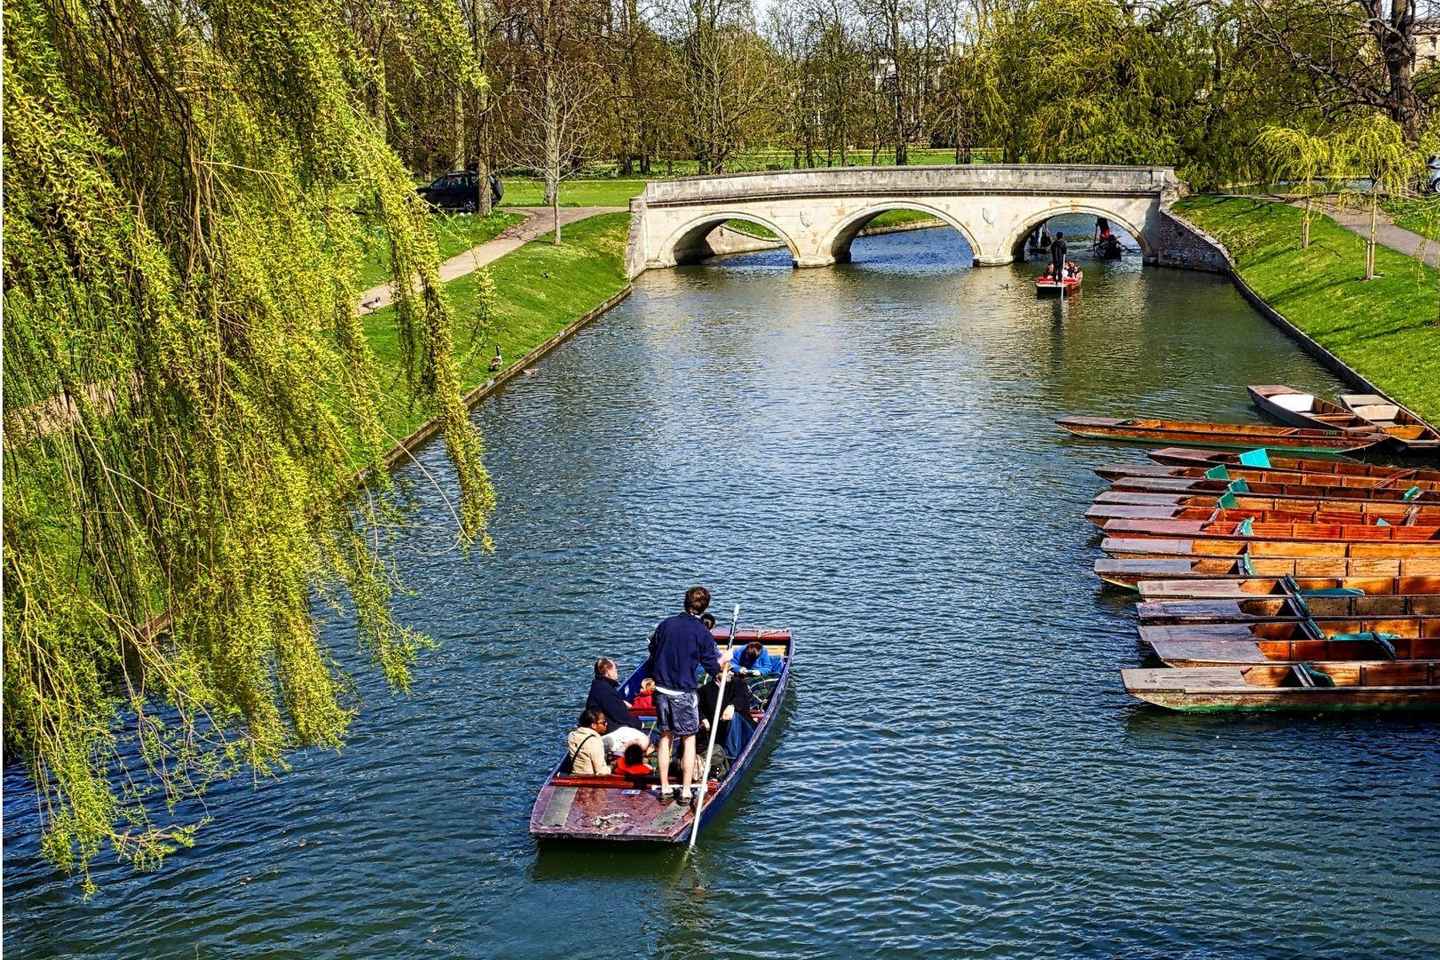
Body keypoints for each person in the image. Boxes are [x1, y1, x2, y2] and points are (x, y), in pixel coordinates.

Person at [644, 586, 728, 806]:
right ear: (705, 607)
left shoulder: (665, 624)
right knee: (689, 738)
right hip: (683, 692)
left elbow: (653, 650)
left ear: (685, 602)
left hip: (661, 690)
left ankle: (664, 787)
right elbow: (710, 663)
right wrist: (722, 668)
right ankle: (687, 790)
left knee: (665, 736)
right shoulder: (702, 632)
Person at [586, 658, 648, 757]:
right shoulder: (606, 691)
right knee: (644, 739)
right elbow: (622, 717)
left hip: (601, 729)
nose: (617, 673)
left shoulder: (598, 686)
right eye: (615, 670)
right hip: (606, 733)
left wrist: (620, 703)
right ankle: (619, 754)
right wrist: (640, 724)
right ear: (608, 672)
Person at [566, 709, 611, 776]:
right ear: (593, 725)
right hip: (590, 778)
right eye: (603, 722)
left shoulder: (571, 735)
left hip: (575, 775)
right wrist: (612, 766)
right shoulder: (594, 741)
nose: (606, 724)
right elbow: (601, 772)